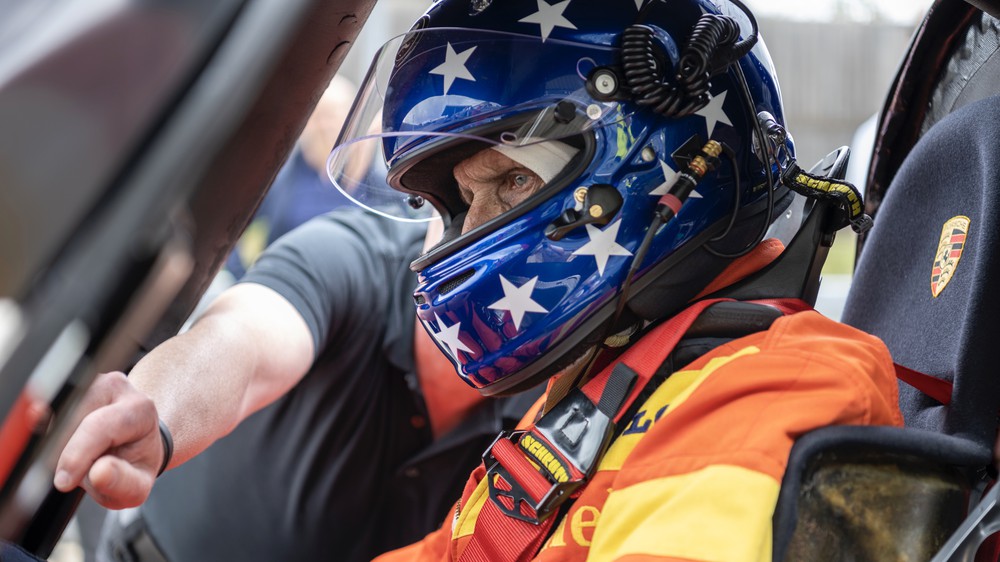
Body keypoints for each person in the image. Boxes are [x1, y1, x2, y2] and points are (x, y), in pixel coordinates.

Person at [316, 0, 903, 559]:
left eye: (513, 181)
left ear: (663, 165)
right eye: (464, 200)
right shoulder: (608, 375)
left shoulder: (779, 383)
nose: (472, 229)